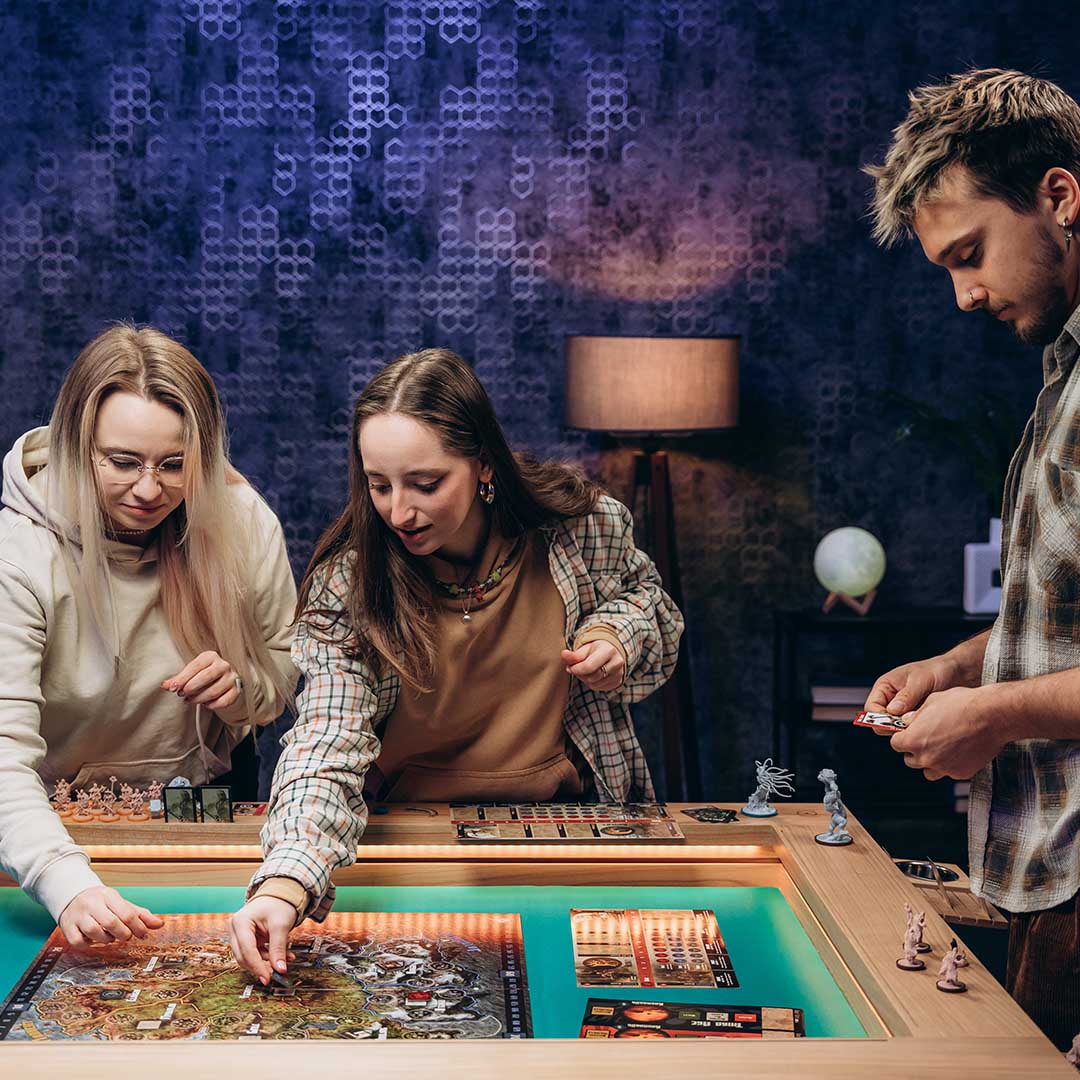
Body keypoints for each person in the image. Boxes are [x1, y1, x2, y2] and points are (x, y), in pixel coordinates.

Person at [228, 347, 684, 982]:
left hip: (564, 827)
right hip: (407, 838)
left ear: (484, 465)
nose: (398, 512)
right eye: (378, 485)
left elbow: (652, 607)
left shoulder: (583, 528)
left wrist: (618, 633)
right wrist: (284, 882)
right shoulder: (349, 583)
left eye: (425, 483)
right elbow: (326, 738)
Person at [864, 68, 1080, 1048]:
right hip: (1053, 875)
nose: (962, 295)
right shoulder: (1063, 377)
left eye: (970, 254)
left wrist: (988, 715)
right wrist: (963, 667)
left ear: (1061, 197)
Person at [0, 324, 298, 948]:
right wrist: (65, 882)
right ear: (79, 445)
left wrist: (240, 691)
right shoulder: (18, 554)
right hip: (59, 821)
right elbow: (2, 758)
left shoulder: (244, 521)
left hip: (204, 801)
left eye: (173, 464)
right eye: (123, 462)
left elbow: (282, 683)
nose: (148, 490)